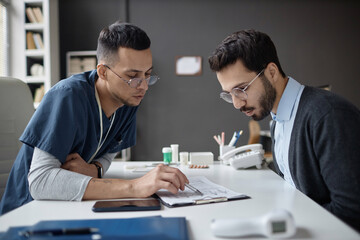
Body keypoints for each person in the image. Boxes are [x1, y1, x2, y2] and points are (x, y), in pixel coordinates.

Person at [0, 21, 188, 215]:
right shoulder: (67, 97)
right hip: (29, 211)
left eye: (147, 75)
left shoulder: (129, 99)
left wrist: (96, 169)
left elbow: (112, 148)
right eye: (133, 76)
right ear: (103, 72)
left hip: (73, 206)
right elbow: (40, 182)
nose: (143, 86)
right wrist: (134, 187)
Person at [208, 29, 360, 232]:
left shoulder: (328, 115)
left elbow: (351, 212)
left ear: (271, 72)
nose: (236, 103)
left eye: (241, 89)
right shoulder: (278, 121)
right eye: (229, 94)